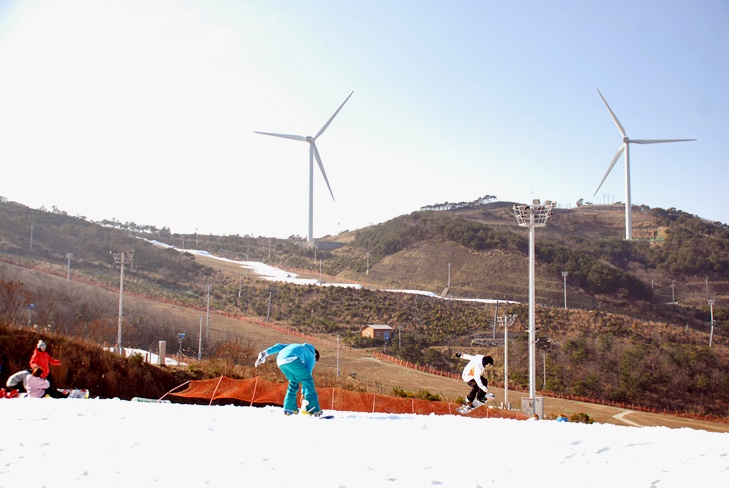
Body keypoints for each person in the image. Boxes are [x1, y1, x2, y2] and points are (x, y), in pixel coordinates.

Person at [255, 343, 322, 416]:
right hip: (293, 359)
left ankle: (290, 408)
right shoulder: (312, 356)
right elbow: (307, 377)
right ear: (315, 355)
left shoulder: (295, 346)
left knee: (294, 381)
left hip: (280, 361)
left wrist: (264, 353)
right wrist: (303, 393)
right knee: (308, 380)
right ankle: (312, 409)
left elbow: (278, 346)